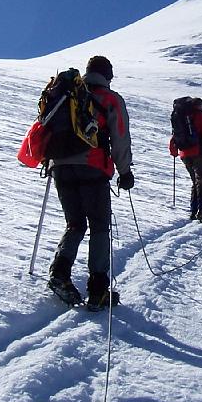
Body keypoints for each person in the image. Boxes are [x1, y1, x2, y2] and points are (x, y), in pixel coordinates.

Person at [47, 55, 134, 310]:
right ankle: (98, 290)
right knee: (98, 226)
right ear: (107, 75)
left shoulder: (68, 94)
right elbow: (119, 137)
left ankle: (60, 274)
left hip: (60, 166)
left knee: (75, 224)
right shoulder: (110, 99)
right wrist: (125, 171)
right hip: (93, 168)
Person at [169, 97, 202, 222]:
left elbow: (175, 135)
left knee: (195, 181)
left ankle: (193, 211)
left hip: (185, 154)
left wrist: (174, 150)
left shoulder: (182, 116)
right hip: (199, 153)